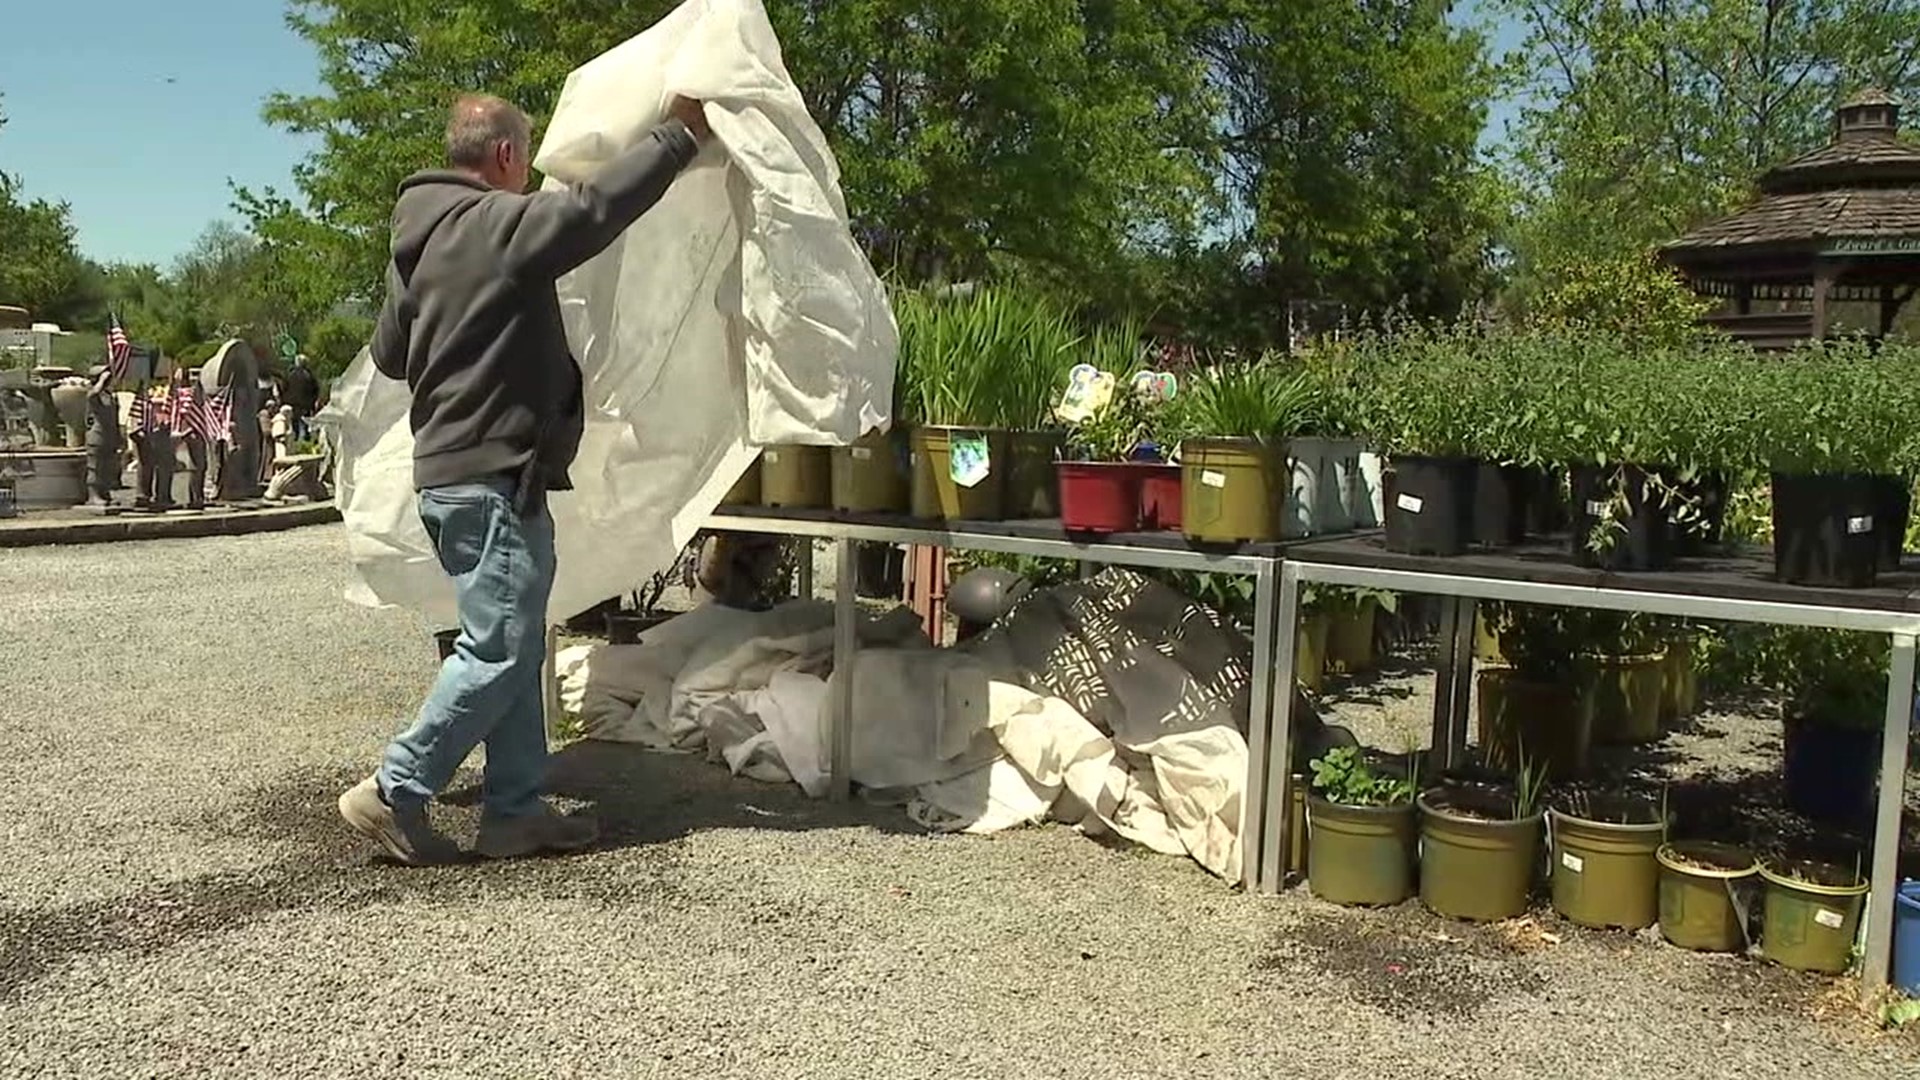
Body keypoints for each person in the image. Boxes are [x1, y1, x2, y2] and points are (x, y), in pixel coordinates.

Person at [339, 92, 713, 865]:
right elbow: (592, 211)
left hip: (453, 475)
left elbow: (390, 356)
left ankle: (514, 811)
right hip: (492, 475)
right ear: (508, 157)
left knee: (515, 644)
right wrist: (678, 135)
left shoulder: (417, 243)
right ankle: (395, 787)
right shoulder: (494, 226)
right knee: (500, 649)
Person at [282, 354, 321, 441]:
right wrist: (313, 401)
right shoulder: (309, 375)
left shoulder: (290, 374)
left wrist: (284, 400)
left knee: (295, 423)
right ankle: (306, 440)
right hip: (306, 404)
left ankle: (296, 439)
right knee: (305, 423)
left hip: (293, 403)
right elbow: (315, 389)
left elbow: (284, 388)